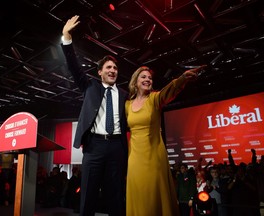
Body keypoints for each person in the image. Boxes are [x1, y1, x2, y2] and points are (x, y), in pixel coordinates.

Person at [61, 15, 128, 216]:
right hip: (94, 146)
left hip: (117, 146)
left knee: (115, 196)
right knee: (88, 194)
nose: (113, 70)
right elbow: (73, 66)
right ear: (99, 72)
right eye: (108, 67)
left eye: (115, 68)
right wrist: (66, 37)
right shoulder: (90, 86)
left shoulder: (125, 94)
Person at [125, 65, 206, 216]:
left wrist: (182, 79)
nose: (148, 80)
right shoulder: (127, 105)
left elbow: (169, 91)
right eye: (143, 77)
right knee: (138, 193)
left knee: (153, 194)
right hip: (134, 158)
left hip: (154, 156)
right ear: (135, 81)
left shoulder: (155, 98)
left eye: (149, 78)